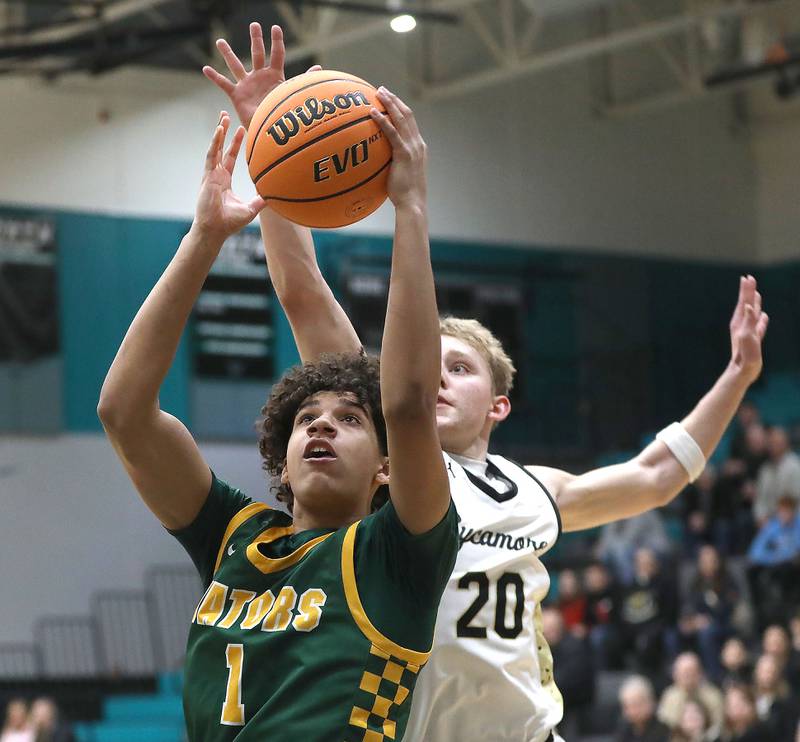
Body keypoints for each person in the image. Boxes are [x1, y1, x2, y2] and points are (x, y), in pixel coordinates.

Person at [203, 22, 770, 742]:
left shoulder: (534, 490)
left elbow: (658, 475)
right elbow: (305, 291)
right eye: (426, 365)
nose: (433, 379)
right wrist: (267, 143)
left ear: (498, 403)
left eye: (459, 369)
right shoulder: (379, 460)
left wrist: (738, 375)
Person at [97, 91, 457, 739]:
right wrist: (204, 238)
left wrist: (410, 206)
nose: (320, 425)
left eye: (348, 418)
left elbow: (405, 407)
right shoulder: (236, 536)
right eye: (306, 419)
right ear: (281, 460)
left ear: (385, 468)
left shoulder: (397, 553)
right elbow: (124, 412)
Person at [657, 653, 723, 737]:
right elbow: (664, 725)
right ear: (675, 674)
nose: (687, 676)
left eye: (691, 671)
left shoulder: (713, 695)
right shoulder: (669, 695)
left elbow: (718, 726)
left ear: (700, 673)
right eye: (683, 672)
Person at [616, 676, 670, 742]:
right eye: (627, 707)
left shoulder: (663, 730)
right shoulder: (624, 728)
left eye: (636, 705)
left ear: (649, 703)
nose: (632, 712)